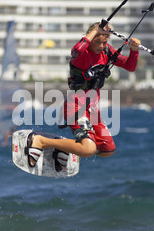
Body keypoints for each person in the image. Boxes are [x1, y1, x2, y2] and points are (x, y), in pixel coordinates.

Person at [27, 22, 141, 168]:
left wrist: (133, 50)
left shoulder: (106, 52)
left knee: (108, 149)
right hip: (76, 107)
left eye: (104, 42)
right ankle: (40, 141)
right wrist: (94, 31)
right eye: (97, 42)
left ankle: (63, 148)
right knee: (88, 149)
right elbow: (76, 50)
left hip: (92, 110)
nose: (101, 46)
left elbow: (130, 66)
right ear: (90, 37)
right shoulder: (82, 53)